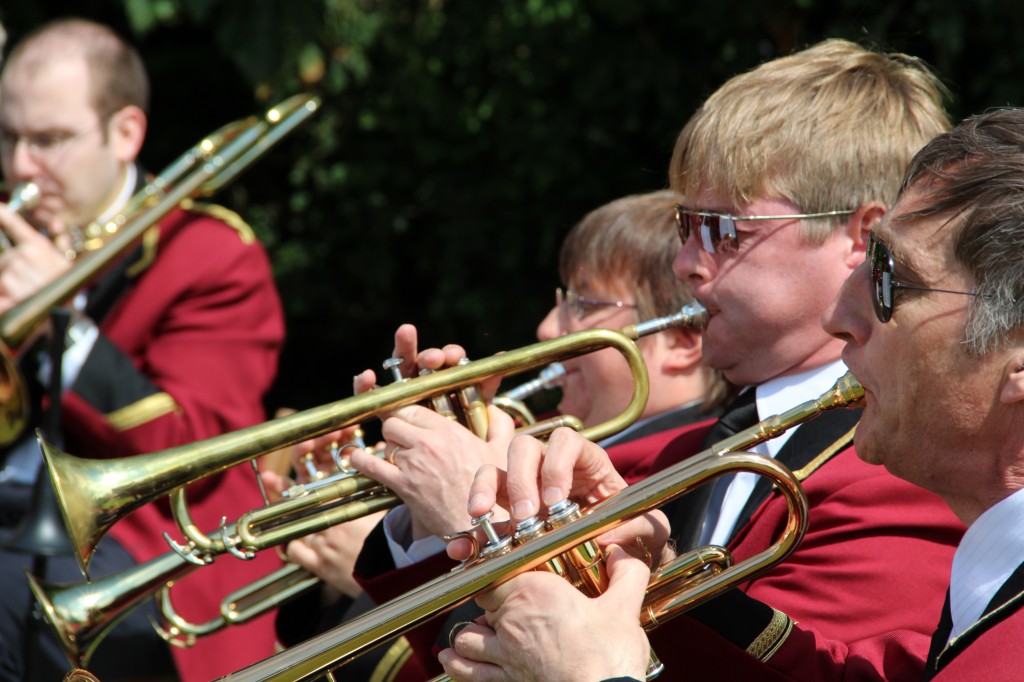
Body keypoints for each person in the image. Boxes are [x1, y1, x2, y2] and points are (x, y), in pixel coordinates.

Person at [438, 38, 966, 681]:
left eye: (720, 230)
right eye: (685, 228)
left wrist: (466, 512)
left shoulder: (900, 469)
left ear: (860, 237)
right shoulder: (697, 448)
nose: (686, 262)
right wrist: (462, 514)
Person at [270, 190, 726, 680]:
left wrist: (465, 504)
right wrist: (418, 528)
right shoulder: (548, 449)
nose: (549, 326)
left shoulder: (682, 479)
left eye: (584, 304)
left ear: (681, 340)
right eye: (560, 300)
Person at [0, 18, 284, 682]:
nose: (19, 168)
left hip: (142, 557)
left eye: (50, 141)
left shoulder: (211, 256)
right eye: (9, 138)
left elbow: (196, 448)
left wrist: (62, 322)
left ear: (125, 133)